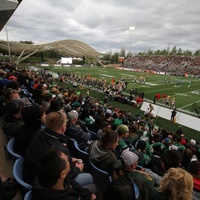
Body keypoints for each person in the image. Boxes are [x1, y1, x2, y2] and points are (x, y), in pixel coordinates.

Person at [24, 111, 93, 189]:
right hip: (41, 183)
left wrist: (70, 159)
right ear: (63, 127)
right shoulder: (59, 150)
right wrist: (78, 169)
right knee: (89, 177)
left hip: (31, 174)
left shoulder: (40, 132)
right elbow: (67, 174)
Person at [32, 149, 96, 200]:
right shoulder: (69, 198)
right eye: (67, 160)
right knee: (94, 187)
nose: (69, 158)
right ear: (62, 174)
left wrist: (87, 195)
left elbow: (69, 180)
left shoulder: (43, 174)